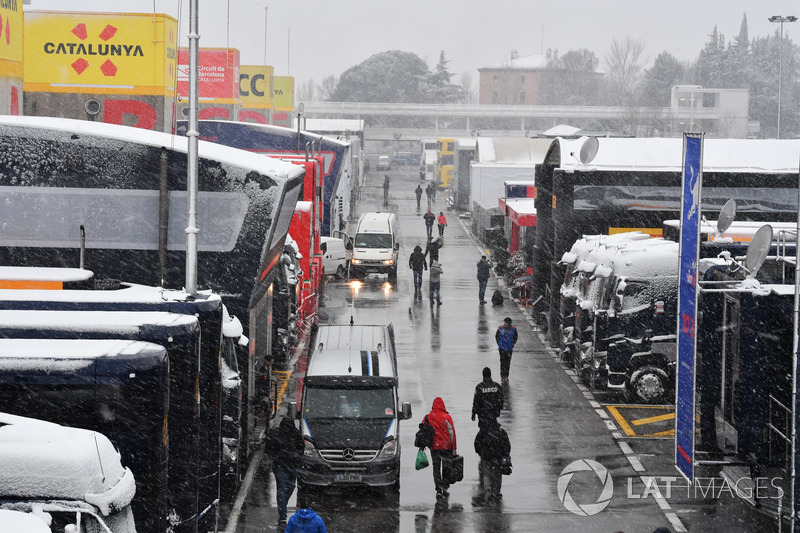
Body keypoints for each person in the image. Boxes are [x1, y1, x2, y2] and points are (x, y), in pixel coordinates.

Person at [264, 417, 305, 523]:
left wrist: (296, 457)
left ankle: (282, 505)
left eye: (288, 427)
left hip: (292, 465)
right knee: (281, 489)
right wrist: (277, 457)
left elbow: (301, 448)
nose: (286, 429)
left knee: (291, 487)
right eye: (285, 427)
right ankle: (282, 514)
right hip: (280, 467)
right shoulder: (275, 434)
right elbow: (268, 449)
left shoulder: (295, 434)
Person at [424, 397, 457, 497]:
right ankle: (445, 486)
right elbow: (452, 433)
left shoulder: (428, 417)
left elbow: (424, 430)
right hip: (446, 447)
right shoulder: (447, 417)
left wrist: (424, 444)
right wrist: (454, 447)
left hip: (434, 447)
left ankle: (438, 489)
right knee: (446, 467)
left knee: (436, 468)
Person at [473, 418, 511, 503]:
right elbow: (507, 445)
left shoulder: (483, 432)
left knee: (486, 473)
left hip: (486, 456)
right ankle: (497, 492)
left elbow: (476, 443)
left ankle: (488, 489)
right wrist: (505, 454)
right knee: (498, 474)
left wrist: (479, 452)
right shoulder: (501, 431)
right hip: (497, 457)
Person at [495, 317, 519, 383]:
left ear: (509, 323)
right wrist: (499, 344)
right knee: (503, 363)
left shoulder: (513, 329)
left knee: (507, 363)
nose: (505, 324)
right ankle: (503, 377)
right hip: (502, 348)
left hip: (509, 349)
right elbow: (497, 336)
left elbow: (515, 337)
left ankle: (506, 376)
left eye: (506, 323)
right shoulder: (500, 328)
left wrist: (512, 344)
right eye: (504, 322)